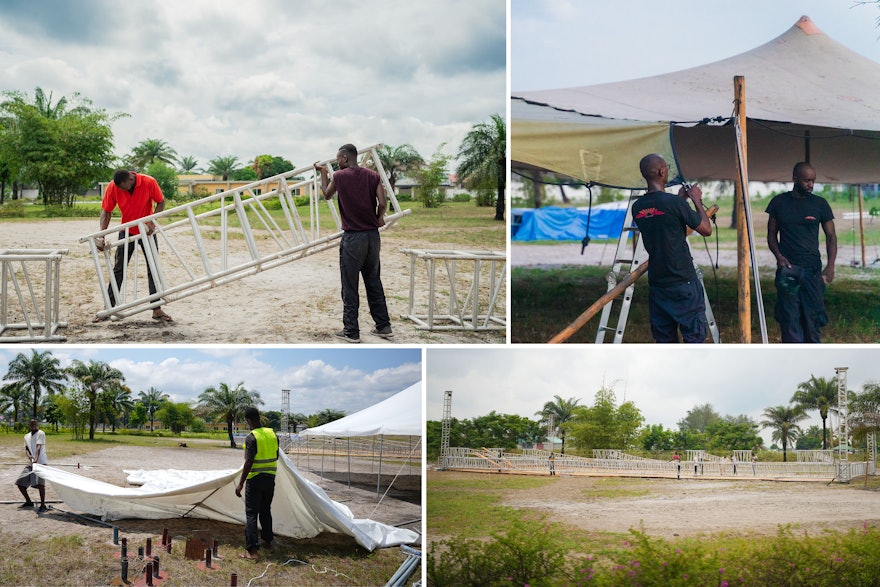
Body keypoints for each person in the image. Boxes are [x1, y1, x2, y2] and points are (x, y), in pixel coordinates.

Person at [315, 144, 392, 343]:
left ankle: (351, 331)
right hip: (373, 237)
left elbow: (326, 194)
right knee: (373, 280)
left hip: (353, 239)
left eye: (338, 160)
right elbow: (382, 203)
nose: (337, 163)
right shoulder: (373, 175)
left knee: (350, 285)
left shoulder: (340, 177)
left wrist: (323, 172)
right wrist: (378, 218)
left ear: (345, 158)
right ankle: (383, 326)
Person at [631, 154, 712, 343]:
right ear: (661, 172)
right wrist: (696, 200)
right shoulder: (673, 204)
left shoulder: (637, 207)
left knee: (665, 343)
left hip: (658, 285)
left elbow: (665, 223)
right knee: (694, 339)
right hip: (683, 282)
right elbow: (706, 229)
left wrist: (680, 201)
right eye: (666, 167)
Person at [766, 162, 837, 343]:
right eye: (806, 180)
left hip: (813, 271)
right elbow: (771, 234)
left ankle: (812, 363)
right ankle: (793, 362)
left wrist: (830, 265)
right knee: (789, 320)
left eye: (813, 181)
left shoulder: (820, 204)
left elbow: (831, 236)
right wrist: (779, 257)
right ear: (795, 178)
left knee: (812, 320)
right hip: (788, 270)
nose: (810, 185)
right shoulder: (778, 202)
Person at [94, 169, 172, 323]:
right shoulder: (113, 187)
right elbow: (106, 211)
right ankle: (109, 308)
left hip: (147, 231)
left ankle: (156, 309)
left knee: (153, 267)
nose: (122, 191)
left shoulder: (149, 182)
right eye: (120, 189)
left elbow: (161, 201)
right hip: (126, 230)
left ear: (131, 179)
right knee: (118, 268)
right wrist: (101, 236)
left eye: (124, 187)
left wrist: (151, 223)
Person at [235, 407, 279, 560]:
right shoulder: (273, 434)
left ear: (248, 420)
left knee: (251, 513)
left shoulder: (251, 437)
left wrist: (240, 483)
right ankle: (268, 542)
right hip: (270, 479)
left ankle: (252, 551)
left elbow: (249, 462)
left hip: (255, 480)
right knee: (265, 510)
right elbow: (276, 456)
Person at [15, 419, 48, 512]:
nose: (34, 425)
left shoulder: (41, 433)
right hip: (31, 463)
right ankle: (29, 502)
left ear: (38, 424)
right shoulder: (26, 436)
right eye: (32, 424)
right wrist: (31, 458)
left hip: (41, 463)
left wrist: (36, 460)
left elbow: (38, 447)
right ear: (29, 425)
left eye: (35, 424)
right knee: (20, 483)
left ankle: (42, 505)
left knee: (40, 485)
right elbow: (27, 449)